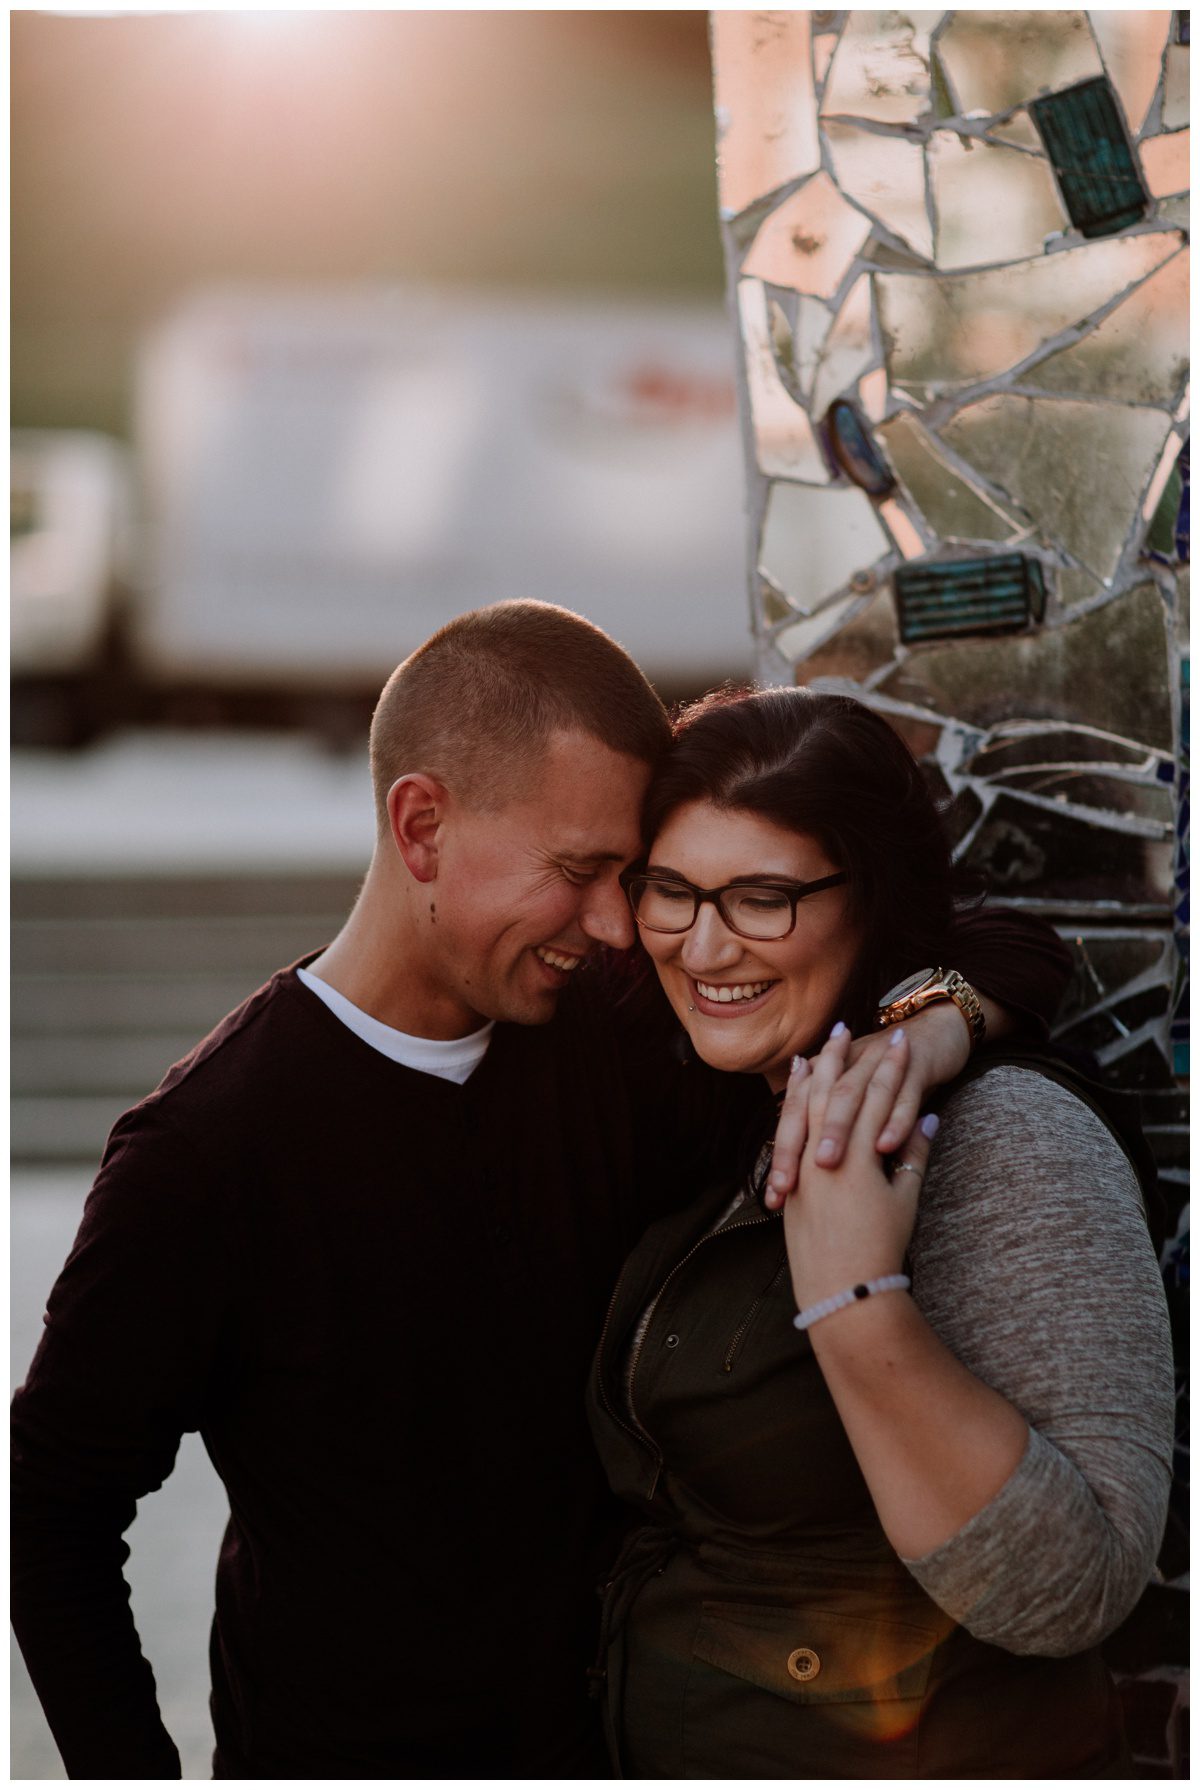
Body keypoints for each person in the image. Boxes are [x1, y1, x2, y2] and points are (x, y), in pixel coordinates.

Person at [12, 603, 1073, 1780]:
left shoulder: (608, 1032)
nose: (619, 925)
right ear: (422, 826)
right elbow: (50, 1512)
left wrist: (929, 1028)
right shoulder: (205, 1150)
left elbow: (1012, 941)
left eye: (632, 875)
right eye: (578, 871)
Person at [586, 684, 1175, 1779]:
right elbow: (1013, 946)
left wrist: (854, 1307)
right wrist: (937, 1013)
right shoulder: (723, 1092)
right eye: (671, 889)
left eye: (762, 897)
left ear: (875, 896)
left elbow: (1077, 1586)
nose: (703, 945)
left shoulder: (1004, 1139)